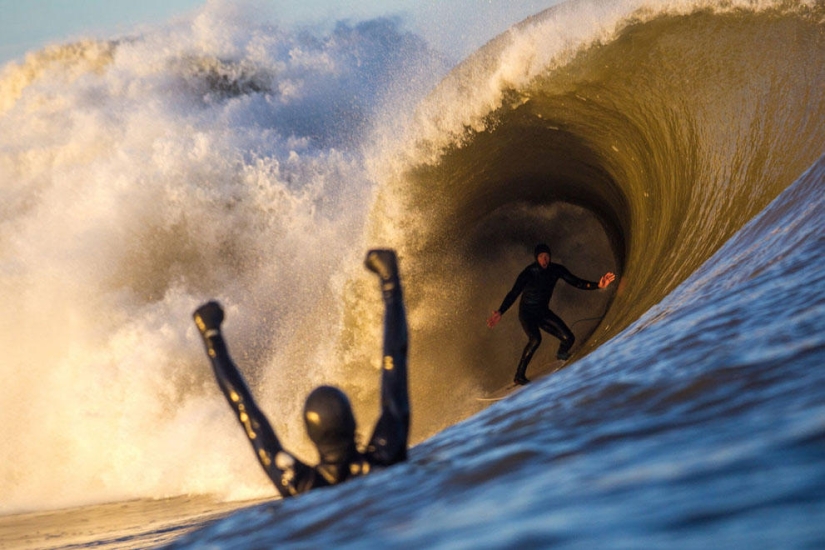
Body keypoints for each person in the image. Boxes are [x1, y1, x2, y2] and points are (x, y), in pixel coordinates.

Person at [192, 249, 409, 498]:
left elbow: (247, 412)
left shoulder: (299, 485)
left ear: (309, 435)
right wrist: (391, 284)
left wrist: (212, 338)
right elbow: (395, 364)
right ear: (352, 422)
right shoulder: (386, 456)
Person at [486, 244, 615, 385]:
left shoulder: (556, 270)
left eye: (546, 256)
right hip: (527, 313)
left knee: (569, 338)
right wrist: (500, 311)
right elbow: (514, 293)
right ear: (536, 258)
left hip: (542, 312)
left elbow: (576, 282)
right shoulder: (529, 272)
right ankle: (519, 375)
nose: (544, 259)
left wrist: (599, 285)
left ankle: (561, 353)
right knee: (535, 339)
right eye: (541, 257)